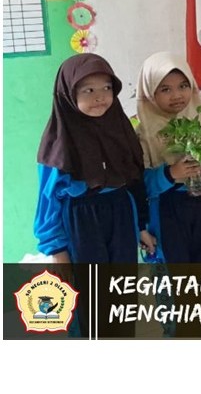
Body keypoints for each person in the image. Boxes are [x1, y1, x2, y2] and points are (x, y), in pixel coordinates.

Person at [34, 53, 155, 337]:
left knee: (122, 293)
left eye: (107, 88)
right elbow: (48, 202)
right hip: (82, 220)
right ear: (67, 94)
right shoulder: (58, 143)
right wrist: (57, 251)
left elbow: (134, 182)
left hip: (121, 213)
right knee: (88, 296)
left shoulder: (121, 130)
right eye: (88, 90)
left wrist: (140, 227)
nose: (100, 97)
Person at [136, 51, 201, 338]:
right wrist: (170, 174)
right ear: (149, 92)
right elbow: (137, 185)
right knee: (173, 277)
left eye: (183, 86)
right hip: (165, 213)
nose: (177, 95)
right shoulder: (142, 134)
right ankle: (178, 334)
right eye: (165, 89)